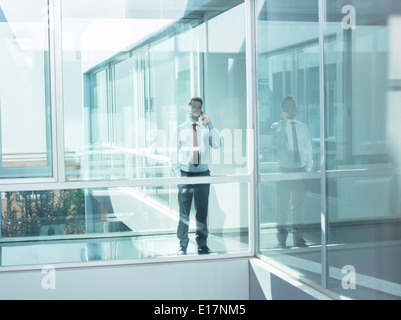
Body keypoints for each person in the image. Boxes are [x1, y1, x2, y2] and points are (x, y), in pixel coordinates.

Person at [170, 97, 221, 255]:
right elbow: (173, 155)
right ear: (187, 108)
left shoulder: (206, 129)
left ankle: (202, 244)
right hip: (185, 174)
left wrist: (210, 125)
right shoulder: (179, 129)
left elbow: (217, 145)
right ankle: (183, 244)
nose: (196, 110)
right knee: (184, 212)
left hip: (203, 174)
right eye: (193, 107)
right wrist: (179, 176)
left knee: (202, 212)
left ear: (202, 110)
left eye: (199, 107)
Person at [271, 96, 313, 248]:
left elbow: (308, 148)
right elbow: (280, 142)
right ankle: (281, 240)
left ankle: (299, 238)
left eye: (293, 105)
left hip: (300, 170)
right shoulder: (277, 126)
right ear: (283, 110)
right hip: (285, 171)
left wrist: (308, 169)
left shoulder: (302, 127)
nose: (291, 108)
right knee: (283, 207)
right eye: (288, 106)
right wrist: (283, 123)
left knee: (298, 208)